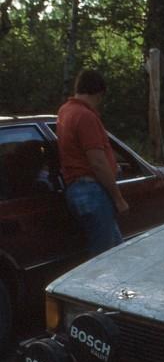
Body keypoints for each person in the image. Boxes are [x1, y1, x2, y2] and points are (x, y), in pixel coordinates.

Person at [57, 69, 129, 256]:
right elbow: (97, 161)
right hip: (92, 191)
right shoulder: (85, 116)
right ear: (98, 93)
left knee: (117, 251)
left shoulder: (65, 111)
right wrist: (118, 198)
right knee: (102, 259)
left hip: (75, 189)